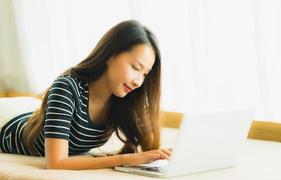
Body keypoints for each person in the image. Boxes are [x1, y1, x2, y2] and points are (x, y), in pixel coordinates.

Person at [0, 20, 171, 170]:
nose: (138, 81)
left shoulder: (125, 96)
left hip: (33, 117)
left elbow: (150, 149)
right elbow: (56, 163)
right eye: (135, 67)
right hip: (8, 127)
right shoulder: (67, 87)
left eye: (145, 74)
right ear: (110, 55)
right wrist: (124, 159)